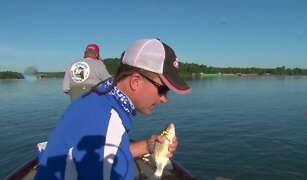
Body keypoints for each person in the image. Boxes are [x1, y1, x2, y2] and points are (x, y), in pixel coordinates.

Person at [35, 38, 191, 179]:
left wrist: (147, 146)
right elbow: (107, 143)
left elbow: (109, 151)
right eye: (162, 89)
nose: (164, 99)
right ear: (136, 81)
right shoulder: (107, 122)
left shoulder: (95, 99)